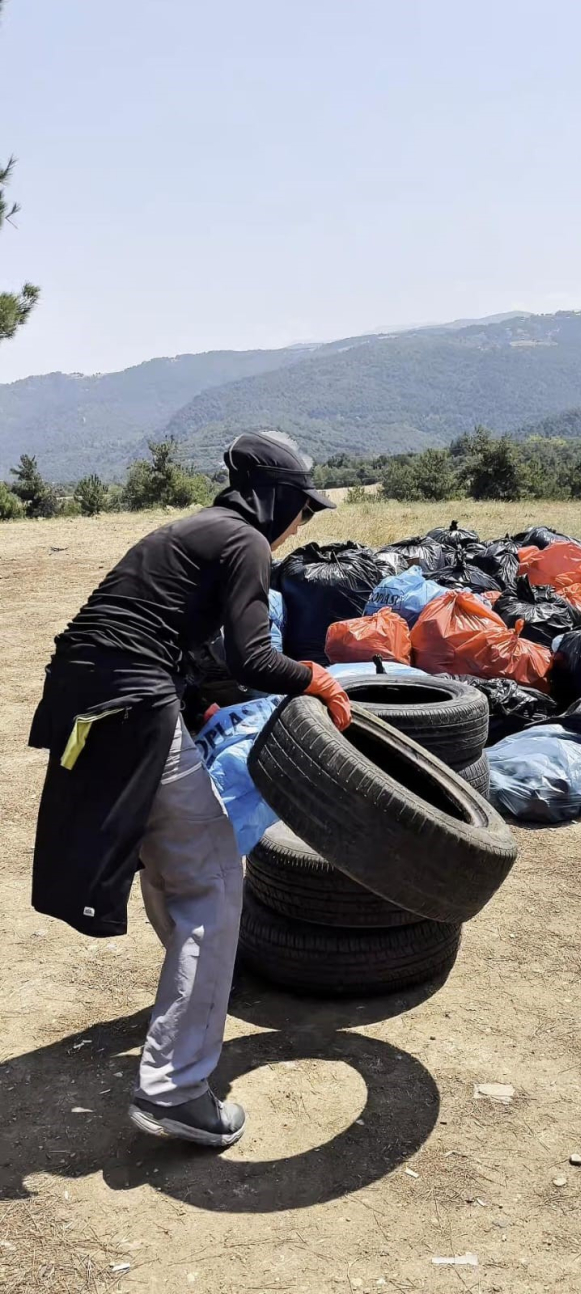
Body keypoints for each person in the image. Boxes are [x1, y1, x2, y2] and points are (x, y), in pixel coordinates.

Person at [29, 431, 352, 1149]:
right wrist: (317, 678)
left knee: (172, 861)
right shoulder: (244, 541)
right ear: (275, 499)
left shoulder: (191, 531)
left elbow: (171, 638)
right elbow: (254, 658)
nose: (301, 525)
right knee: (210, 879)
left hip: (84, 696)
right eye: (302, 509)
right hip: (130, 702)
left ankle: (195, 995)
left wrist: (198, 703)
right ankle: (175, 1090)